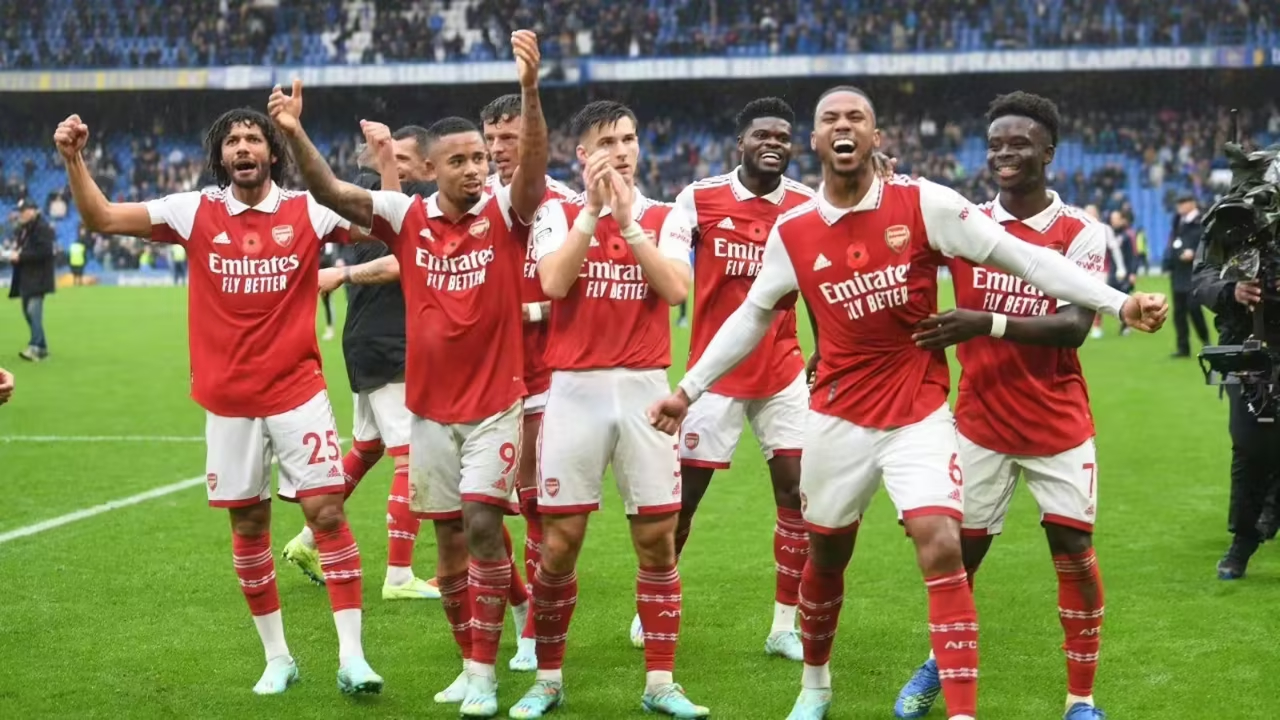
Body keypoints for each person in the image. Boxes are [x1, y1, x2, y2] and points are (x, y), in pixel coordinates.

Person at [645, 85, 1168, 720]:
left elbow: (1029, 261)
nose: (843, 126)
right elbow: (752, 316)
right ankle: (815, 687)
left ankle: (966, 711)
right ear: (815, 140)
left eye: (856, 117)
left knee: (942, 544)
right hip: (837, 414)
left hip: (921, 412)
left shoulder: (926, 203)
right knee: (826, 554)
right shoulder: (795, 230)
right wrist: (688, 389)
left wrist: (1120, 302)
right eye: (830, 119)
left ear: (877, 137)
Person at [52, 107, 383, 695]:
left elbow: (384, 221)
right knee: (249, 524)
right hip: (228, 401)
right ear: (220, 155)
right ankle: (277, 658)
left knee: (327, 514)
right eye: (232, 140)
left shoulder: (308, 209)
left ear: (273, 152)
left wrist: (384, 162)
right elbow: (100, 216)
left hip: (297, 393)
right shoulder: (193, 210)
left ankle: (353, 658)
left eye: (254, 138)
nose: (243, 146)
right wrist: (73, 158)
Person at [270, 29, 548, 717]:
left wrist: (530, 91)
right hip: (428, 409)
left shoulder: (508, 213)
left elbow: (533, 167)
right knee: (449, 545)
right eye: (460, 160)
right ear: (432, 167)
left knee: (481, 527)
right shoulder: (408, 216)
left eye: (480, 158)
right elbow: (331, 191)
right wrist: (294, 133)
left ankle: (485, 677)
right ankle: (471, 662)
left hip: (495, 406)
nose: (474, 169)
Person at [892, 91, 1111, 720]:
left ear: (1049, 151)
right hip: (979, 422)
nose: (1004, 154)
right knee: (958, 560)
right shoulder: (966, 223)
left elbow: (1073, 327)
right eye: (995, 145)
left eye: (1019, 143)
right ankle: (939, 663)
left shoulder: (1081, 232)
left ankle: (1080, 699)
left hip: (1057, 422)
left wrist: (984, 322)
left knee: (1074, 554)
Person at [508, 99, 706, 720]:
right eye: (607, 142)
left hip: (646, 392)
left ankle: (661, 683)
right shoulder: (557, 212)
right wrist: (594, 215)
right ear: (583, 155)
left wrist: (629, 223)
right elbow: (553, 283)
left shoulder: (667, 214)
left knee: (657, 543)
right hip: (574, 391)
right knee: (559, 544)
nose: (621, 151)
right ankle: (548, 679)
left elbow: (675, 289)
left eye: (629, 139)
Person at [630, 97, 815, 661]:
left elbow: (819, 282)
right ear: (741, 142)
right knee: (682, 500)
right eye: (763, 134)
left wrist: (827, 350)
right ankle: (652, 602)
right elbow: (672, 269)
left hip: (782, 371)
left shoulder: (806, 205)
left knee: (797, 496)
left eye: (782, 136)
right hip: (712, 379)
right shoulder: (700, 198)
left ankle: (784, 624)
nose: (773, 143)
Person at [282, 123, 442, 602]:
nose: (399, 166)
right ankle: (399, 575)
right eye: (394, 157)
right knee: (413, 455)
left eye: (404, 159)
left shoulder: (385, 199)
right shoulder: (395, 200)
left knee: (367, 447)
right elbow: (400, 261)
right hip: (389, 341)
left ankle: (308, 540)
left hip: (367, 339)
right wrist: (345, 273)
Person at [478, 91, 578, 672]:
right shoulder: (471, 204)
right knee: (478, 513)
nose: (498, 149)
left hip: (544, 380)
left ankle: (538, 632)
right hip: (481, 385)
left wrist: (517, 313)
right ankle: (521, 607)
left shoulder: (563, 205)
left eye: (509, 138)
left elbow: (573, 295)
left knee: (540, 509)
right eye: (491, 139)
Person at [1190, 239, 1280, 579]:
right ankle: (1244, 539)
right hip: (1246, 351)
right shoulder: (1231, 220)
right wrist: (1232, 291)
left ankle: (1271, 509)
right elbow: (1202, 277)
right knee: (1249, 444)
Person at [7, 197, 56, 362]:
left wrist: (20, 256)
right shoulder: (24, 229)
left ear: (33, 211)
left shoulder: (42, 228)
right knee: (28, 313)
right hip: (27, 277)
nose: (21, 214)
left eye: (24, 211)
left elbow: (44, 252)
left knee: (33, 312)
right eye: (20, 211)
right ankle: (41, 347)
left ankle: (35, 347)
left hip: (38, 278)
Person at [1165, 194, 1211, 357]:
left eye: (1182, 203)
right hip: (1178, 272)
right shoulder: (1178, 221)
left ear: (1191, 203)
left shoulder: (1201, 221)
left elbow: (1207, 243)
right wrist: (1169, 261)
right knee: (1179, 313)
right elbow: (1173, 242)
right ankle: (1183, 347)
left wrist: (1195, 254)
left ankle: (1205, 340)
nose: (1179, 207)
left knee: (1194, 308)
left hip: (1194, 272)